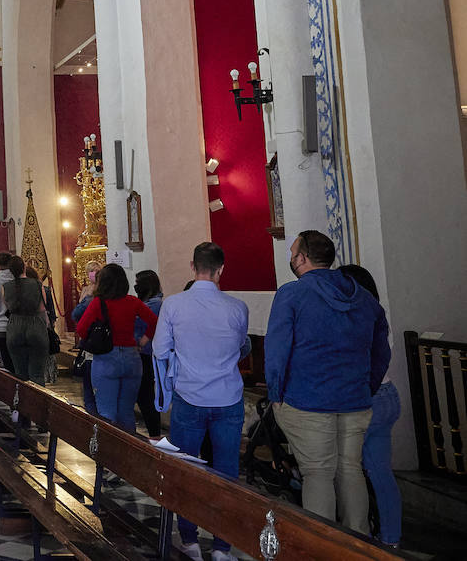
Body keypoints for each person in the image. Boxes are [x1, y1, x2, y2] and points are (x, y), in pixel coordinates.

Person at [266, 230, 389, 534]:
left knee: (318, 474)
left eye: (292, 253)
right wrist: (365, 388)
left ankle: (322, 546)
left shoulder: (292, 294)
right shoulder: (363, 297)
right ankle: (357, 544)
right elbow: (381, 352)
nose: (291, 258)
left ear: (302, 258)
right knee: (350, 471)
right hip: (354, 401)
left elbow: (277, 351)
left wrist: (275, 394)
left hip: (309, 400)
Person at [150, 242, 250, 561]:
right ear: (221, 270)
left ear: (192, 267)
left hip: (189, 397)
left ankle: (190, 541)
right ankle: (222, 547)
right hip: (228, 398)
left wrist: (178, 366)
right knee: (227, 471)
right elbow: (241, 347)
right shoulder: (237, 307)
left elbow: (159, 350)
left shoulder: (174, 305)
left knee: (186, 468)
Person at [339, 263, 400, 549]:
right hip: (388, 395)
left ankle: (356, 537)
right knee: (381, 474)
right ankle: (391, 540)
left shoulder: (356, 317)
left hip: (368, 400)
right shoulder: (378, 312)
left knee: (346, 469)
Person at [76, 263, 157, 432]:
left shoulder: (98, 303)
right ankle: (128, 454)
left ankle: (108, 456)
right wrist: (143, 340)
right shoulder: (132, 302)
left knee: (106, 412)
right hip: (131, 358)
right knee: (126, 412)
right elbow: (155, 321)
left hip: (106, 358)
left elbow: (81, 329)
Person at [3, 256, 50, 384]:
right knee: (37, 374)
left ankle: (22, 402)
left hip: (15, 327)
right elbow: (42, 307)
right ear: (24, 267)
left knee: (19, 373)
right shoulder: (36, 284)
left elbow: (7, 306)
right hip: (35, 326)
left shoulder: (6, 286)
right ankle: (37, 403)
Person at [132, 269, 164, 439]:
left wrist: (143, 340)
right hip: (140, 354)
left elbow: (152, 324)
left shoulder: (155, 304)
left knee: (145, 396)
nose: (136, 286)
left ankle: (154, 434)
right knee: (142, 396)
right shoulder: (146, 302)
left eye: (138, 283)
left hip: (147, 354)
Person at [71, 278, 99, 416]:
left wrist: (87, 337)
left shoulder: (92, 301)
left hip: (94, 351)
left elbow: (78, 320)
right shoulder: (128, 301)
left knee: (90, 393)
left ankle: (94, 426)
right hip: (123, 353)